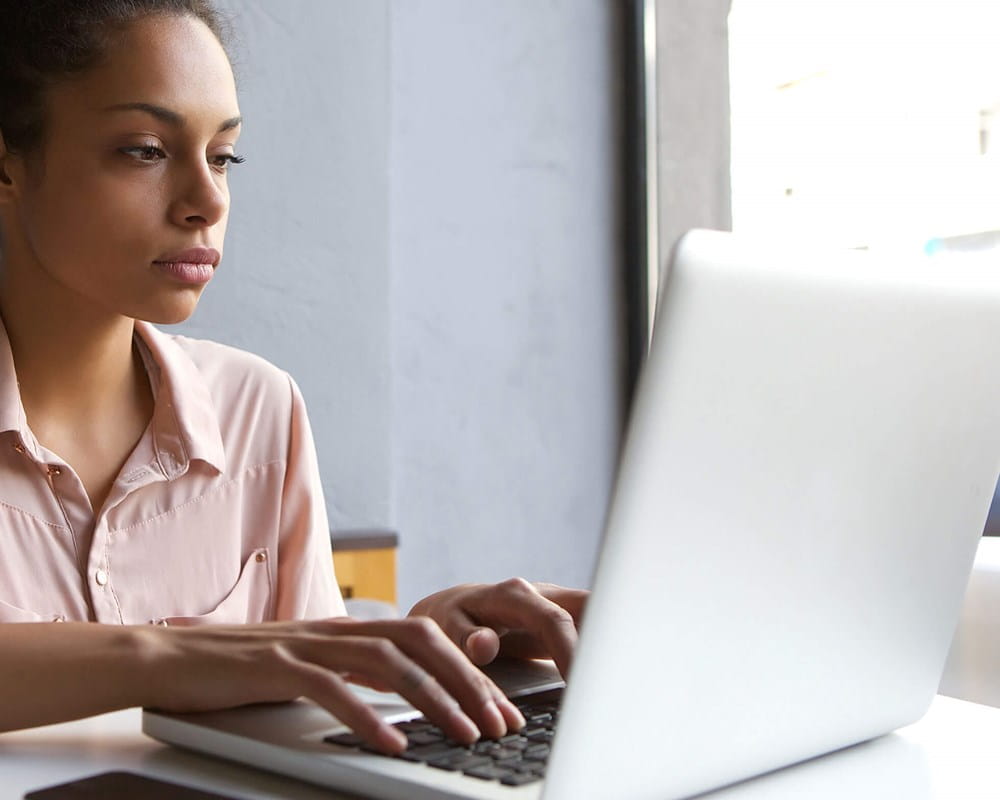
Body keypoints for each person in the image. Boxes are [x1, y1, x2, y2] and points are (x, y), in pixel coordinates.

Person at [0, 0, 586, 754]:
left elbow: (295, 682)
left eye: (223, 156)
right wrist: (162, 657)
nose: (207, 201)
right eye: (146, 150)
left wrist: (419, 645)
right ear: (9, 163)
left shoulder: (257, 410)